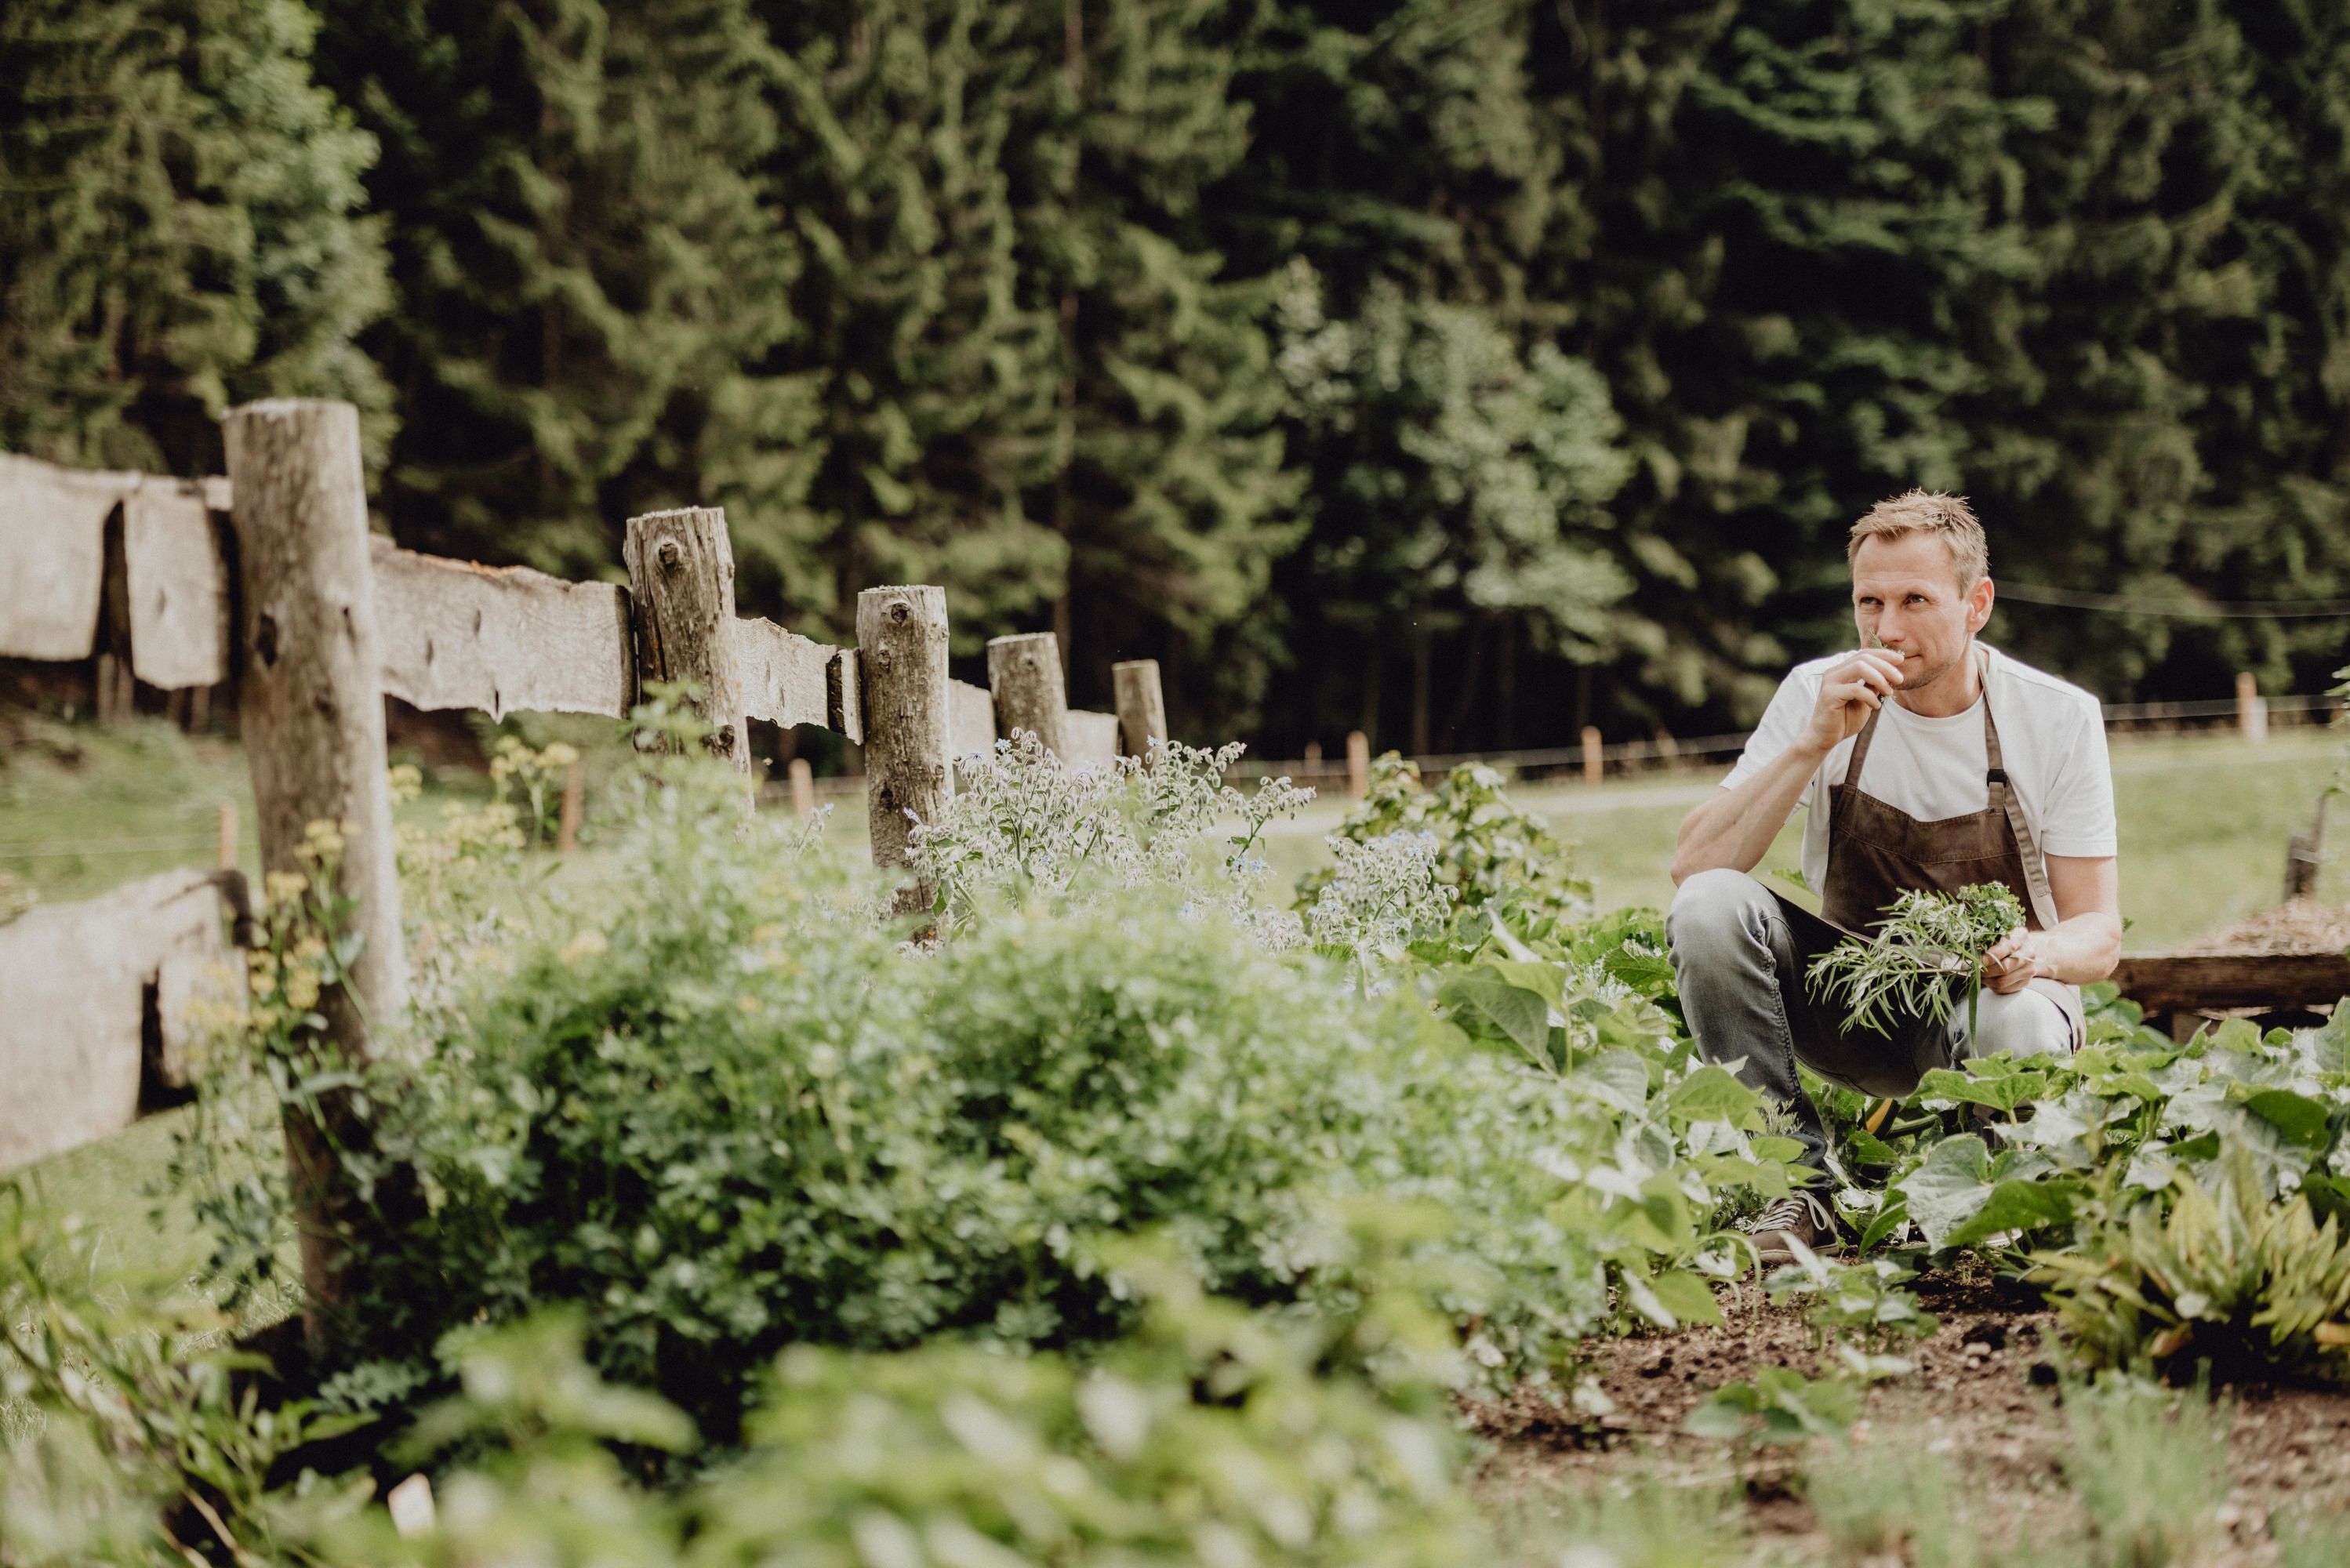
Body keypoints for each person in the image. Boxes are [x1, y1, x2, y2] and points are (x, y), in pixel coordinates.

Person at [1665, 491, 2121, 1262]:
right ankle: (1794, 1188)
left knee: (2006, 1018)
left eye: (1915, 599)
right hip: (1855, 1006)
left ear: (1977, 604)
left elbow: (2100, 933)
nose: (1888, 629)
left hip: (1995, 1010)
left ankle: (1985, 1199)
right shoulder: (1820, 693)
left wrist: (2035, 954)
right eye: (1869, 602)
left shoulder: (2055, 717)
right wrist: (1812, 743)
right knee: (1710, 906)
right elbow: (1693, 866)